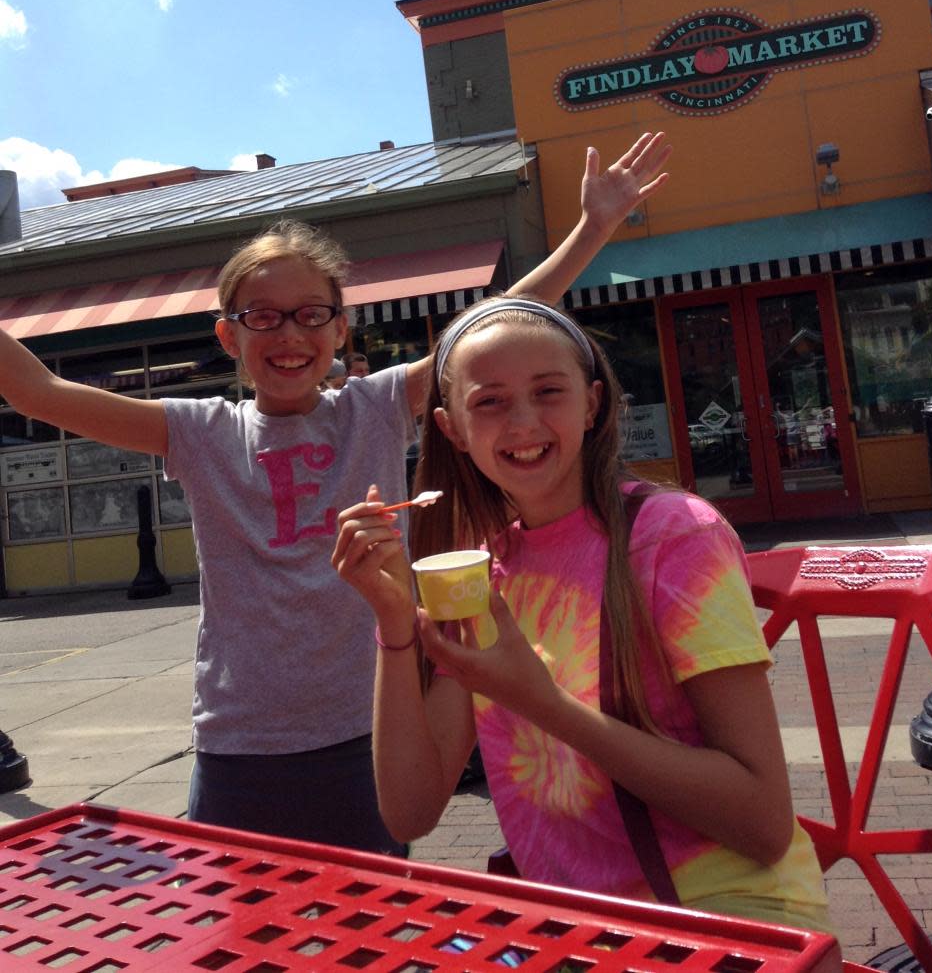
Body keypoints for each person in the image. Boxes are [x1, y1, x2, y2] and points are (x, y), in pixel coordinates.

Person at [0, 132, 671, 855]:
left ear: (341, 326)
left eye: (311, 313)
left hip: (373, 734)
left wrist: (592, 229)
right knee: (244, 948)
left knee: (375, 939)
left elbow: (491, 322)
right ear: (229, 336)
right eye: (263, 315)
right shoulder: (197, 431)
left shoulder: (373, 407)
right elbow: (39, 390)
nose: (289, 333)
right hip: (239, 747)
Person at [333, 297, 831, 929]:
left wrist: (546, 706)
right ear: (453, 429)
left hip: (722, 920)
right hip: (575, 930)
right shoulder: (480, 572)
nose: (522, 422)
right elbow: (411, 812)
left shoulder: (673, 537)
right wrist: (394, 622)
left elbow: (761, 821)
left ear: (591, 404)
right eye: (489, 401)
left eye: (548, 391)